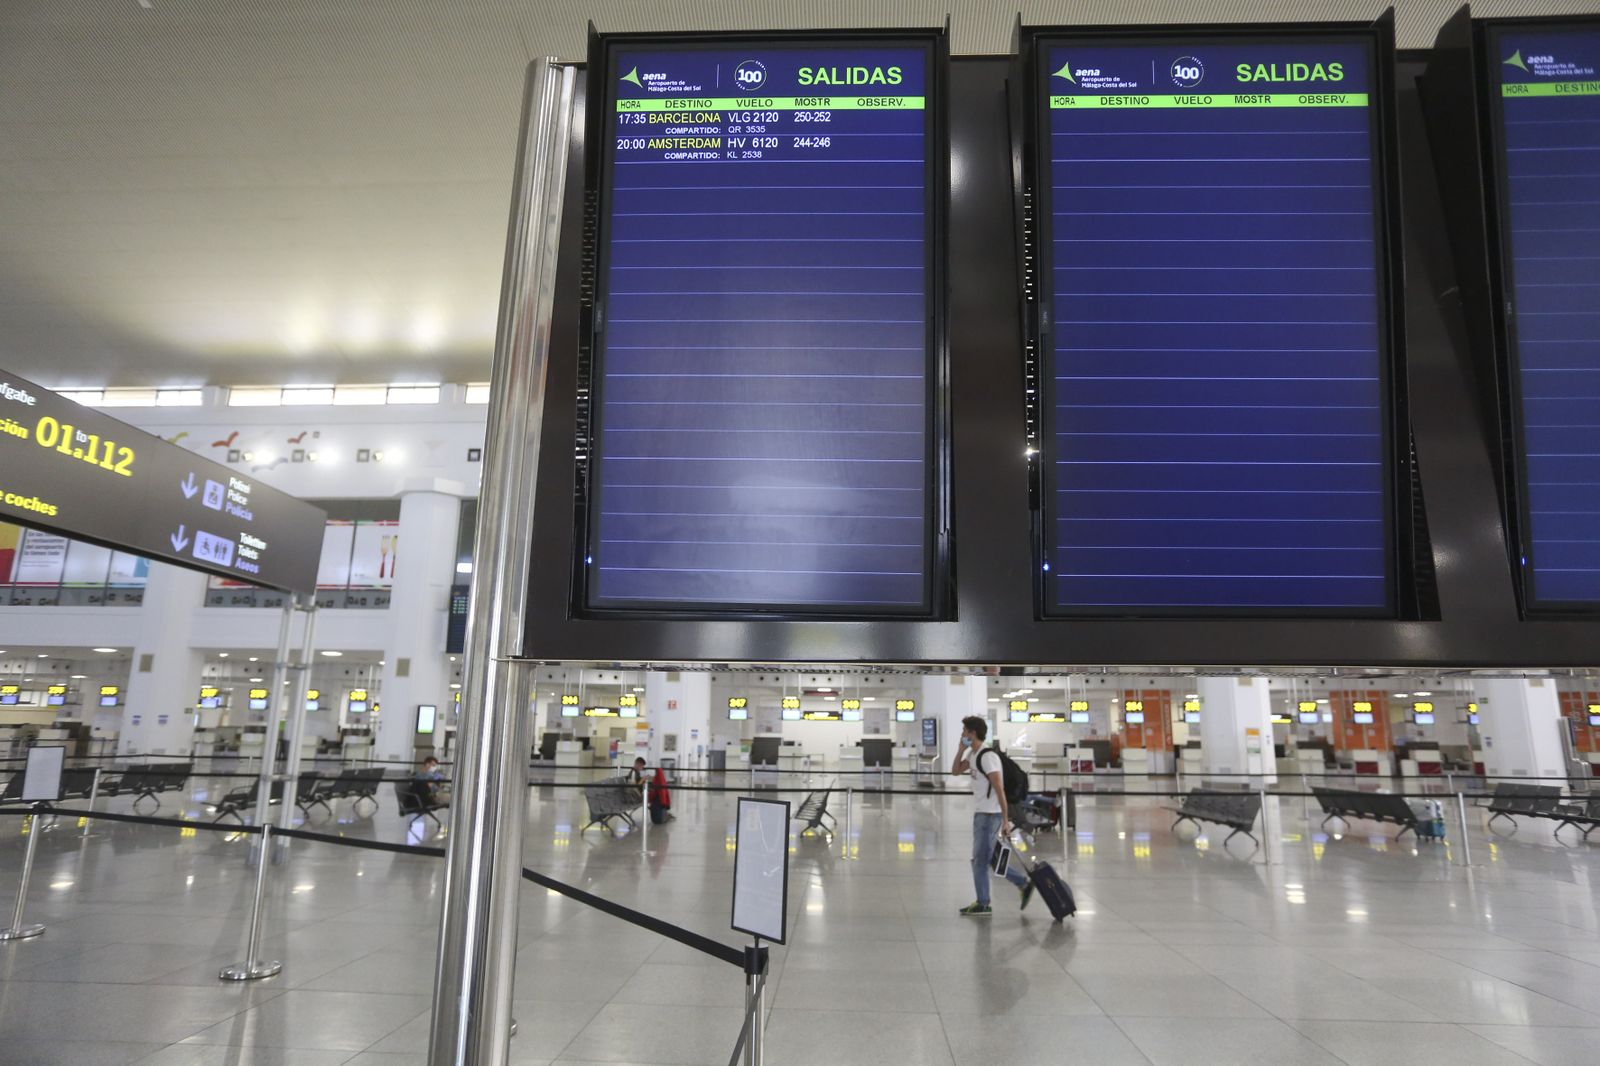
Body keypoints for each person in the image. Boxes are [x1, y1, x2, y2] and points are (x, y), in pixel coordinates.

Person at [951, 715, 1032, 916]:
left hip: (990, 815)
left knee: (979, 860)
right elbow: (955, 771)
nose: (962, 734)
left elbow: (999, 789)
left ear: (973, 733)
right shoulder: (973, 754)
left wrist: (1005, 820)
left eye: (965, 731)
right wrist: (961, 749)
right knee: (992, 859)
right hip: (981, 814)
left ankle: (983, 902)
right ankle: (1023, 883)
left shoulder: (988, 757)